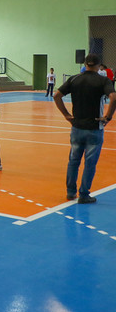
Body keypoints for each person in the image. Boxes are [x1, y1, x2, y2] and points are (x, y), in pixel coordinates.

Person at [53, 54, 116, 203]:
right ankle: (84, 194)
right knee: (90, 163)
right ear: (99, 66)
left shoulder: (74, 79)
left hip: (77, 127)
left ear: (85, 64)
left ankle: (70, 192)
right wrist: (108, 117)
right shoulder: (103, 80)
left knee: (73, 161)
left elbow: (56, 96)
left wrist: (67, 115)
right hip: (94, 127)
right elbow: (113, 97)